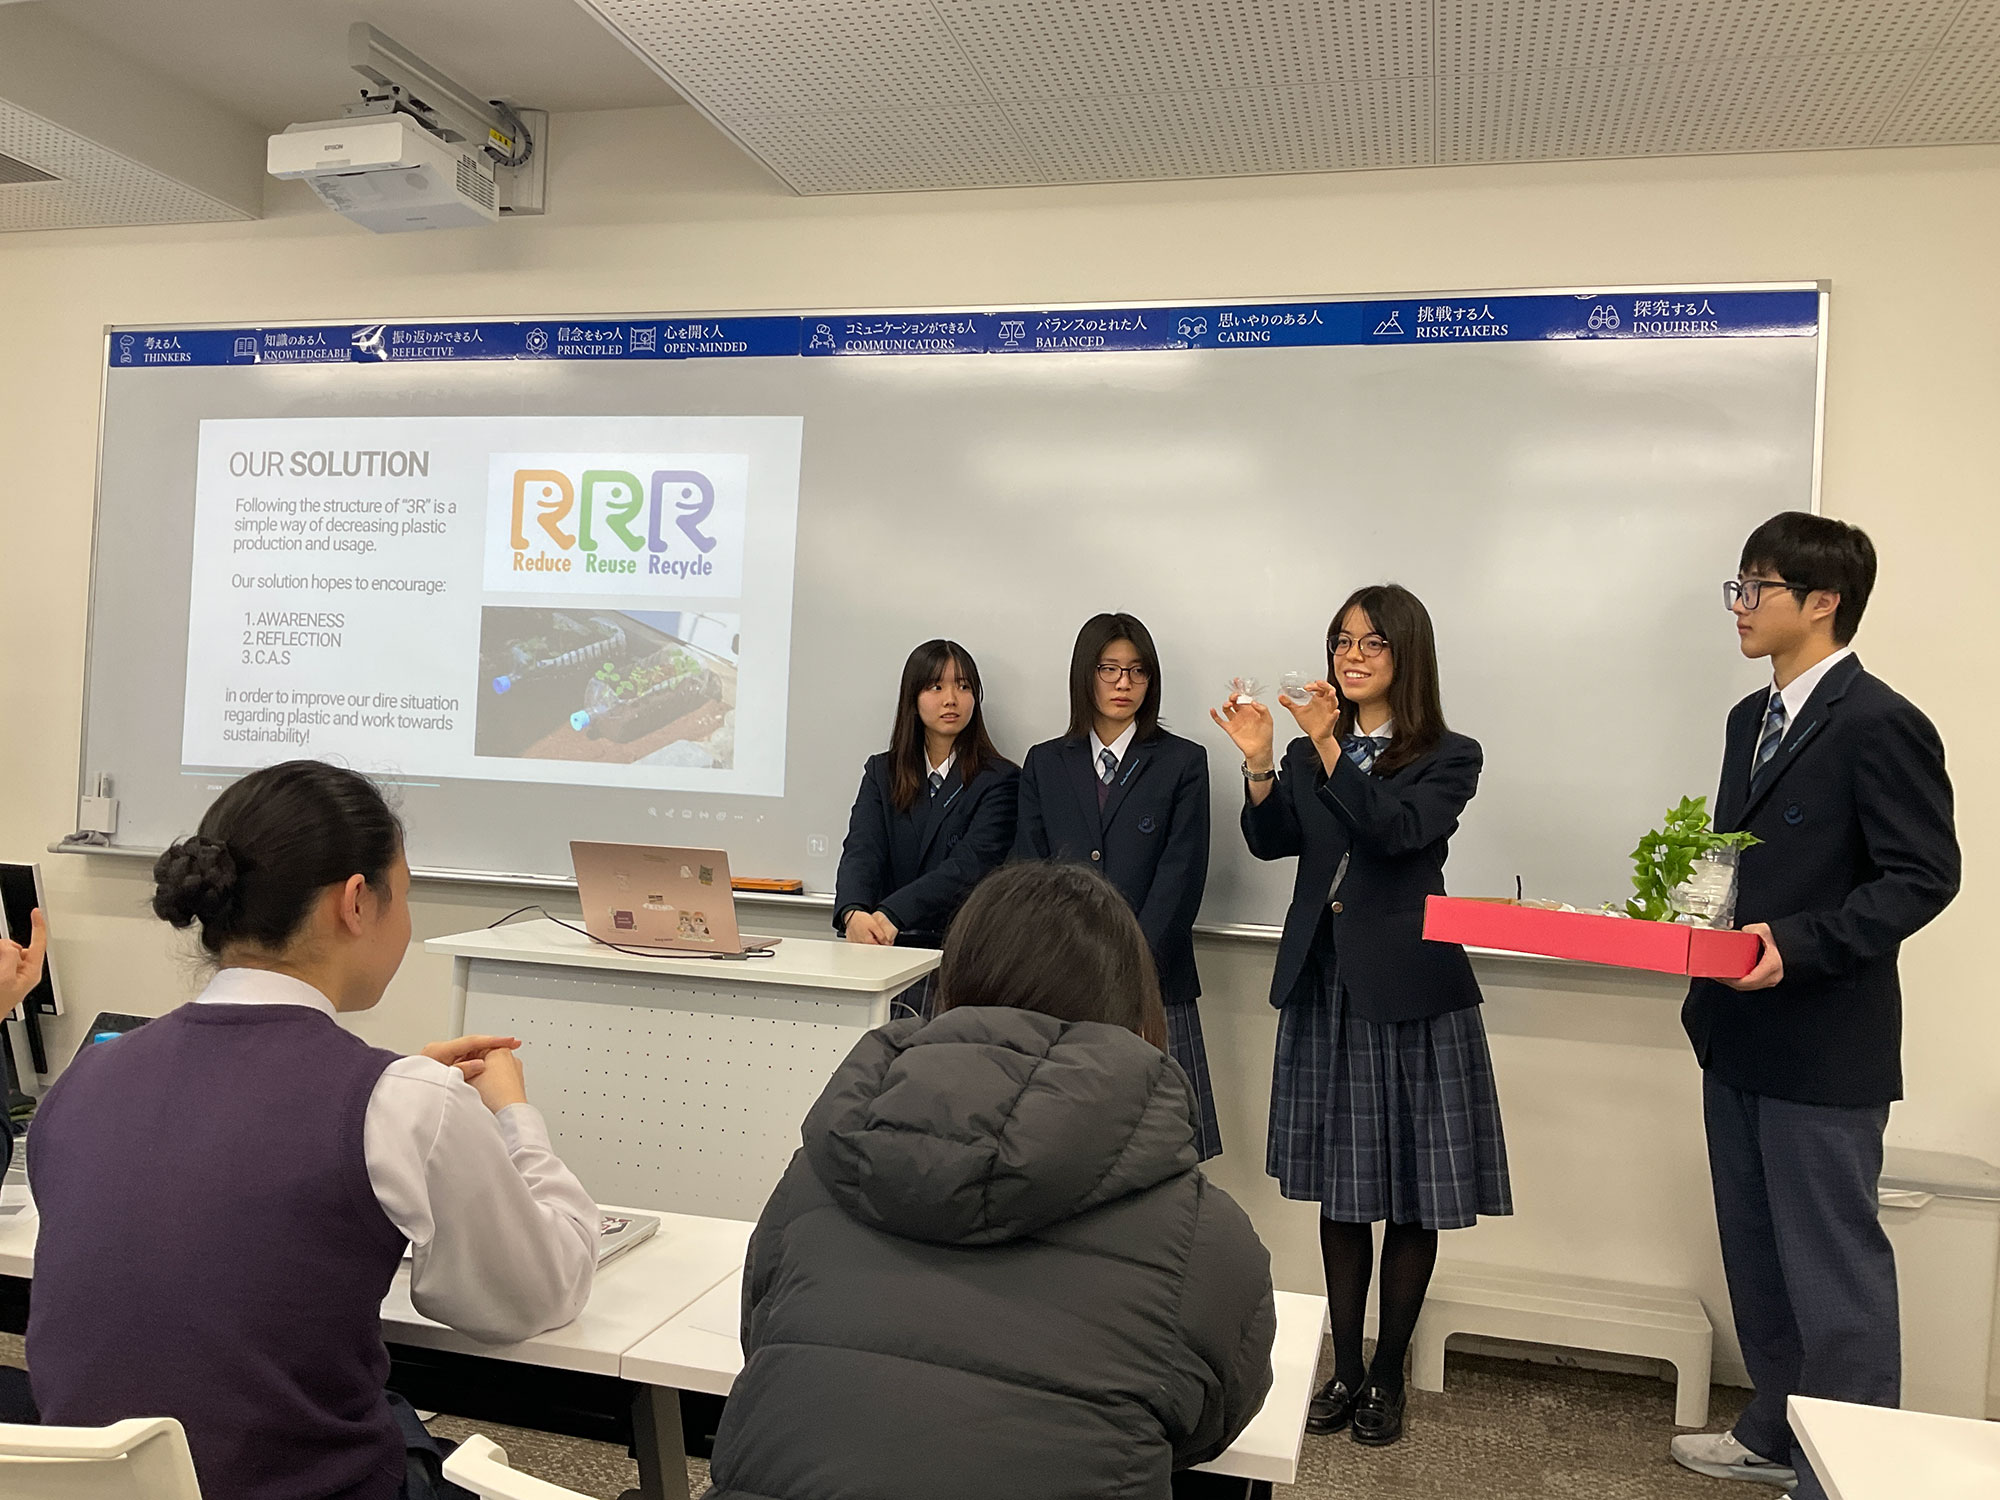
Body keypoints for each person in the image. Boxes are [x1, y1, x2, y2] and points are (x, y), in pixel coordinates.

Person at [25, 760, 598, 1500]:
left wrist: (409, 1100)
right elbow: (529, 1297)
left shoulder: (87, 1077)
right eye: (405, 896)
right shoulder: (402, 1104)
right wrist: (513, 1119)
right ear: (356, 902)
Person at [706, 860, 1274, 1500]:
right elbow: (1211, 1424)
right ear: (1135, 1006)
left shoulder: (815, 1175)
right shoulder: (1206, 1237)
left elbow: (761, 1334)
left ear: (953, 982)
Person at [1672, 514, 1959, 1497]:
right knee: (1756, 1258)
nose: (1739, 606)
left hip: (1824, 1043)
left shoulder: (1879, 721)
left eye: (1756, 588)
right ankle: (1771, 1429)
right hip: (1733, 1031)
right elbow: (1735, 858)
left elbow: (1923, 877)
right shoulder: (1745, 720)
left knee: (1832, 1273)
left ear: (1822, 600)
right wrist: (1685, 916)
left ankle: (1844, 1474)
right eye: (1739, 586)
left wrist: (1793, 946)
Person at [1213, 582, 1510, 1448]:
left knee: (1412, 1195)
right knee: (1342, 1192)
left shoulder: (1449, 755)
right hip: (1325, 983)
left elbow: (1396, 832)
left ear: (1406, 656)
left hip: (1411, 990)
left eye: (1371, 643)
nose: (1351, 656)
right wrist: (1261, 764)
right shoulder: (1308, 750)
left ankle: (1388, 1373)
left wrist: (1328, 745)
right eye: (1342, 641)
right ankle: (1344, 1369)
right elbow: (1276, 842)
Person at [1014, 612, 1219, 1159]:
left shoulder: (1182, 762)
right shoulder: (1045, 762)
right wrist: (1070, 961)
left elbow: (1182, 875)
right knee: (1066, 1144)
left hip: (1154, 977)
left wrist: (1131, 965)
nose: (1123, 683)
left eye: (1137, 671)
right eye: (1109, 669)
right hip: (1063, 976)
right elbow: (1029, 872)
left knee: (1160, 1143)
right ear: (1086, 674)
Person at [834, 639, 1019, 1017]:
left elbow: (969, 865)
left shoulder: (1000, 779)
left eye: (963, 686)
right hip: (880, 953)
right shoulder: (881, 772)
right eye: (936, 687)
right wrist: (853, 912)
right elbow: (862, 849)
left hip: (955, 955)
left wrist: (893, 913)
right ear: (913, 698)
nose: (951, 699)